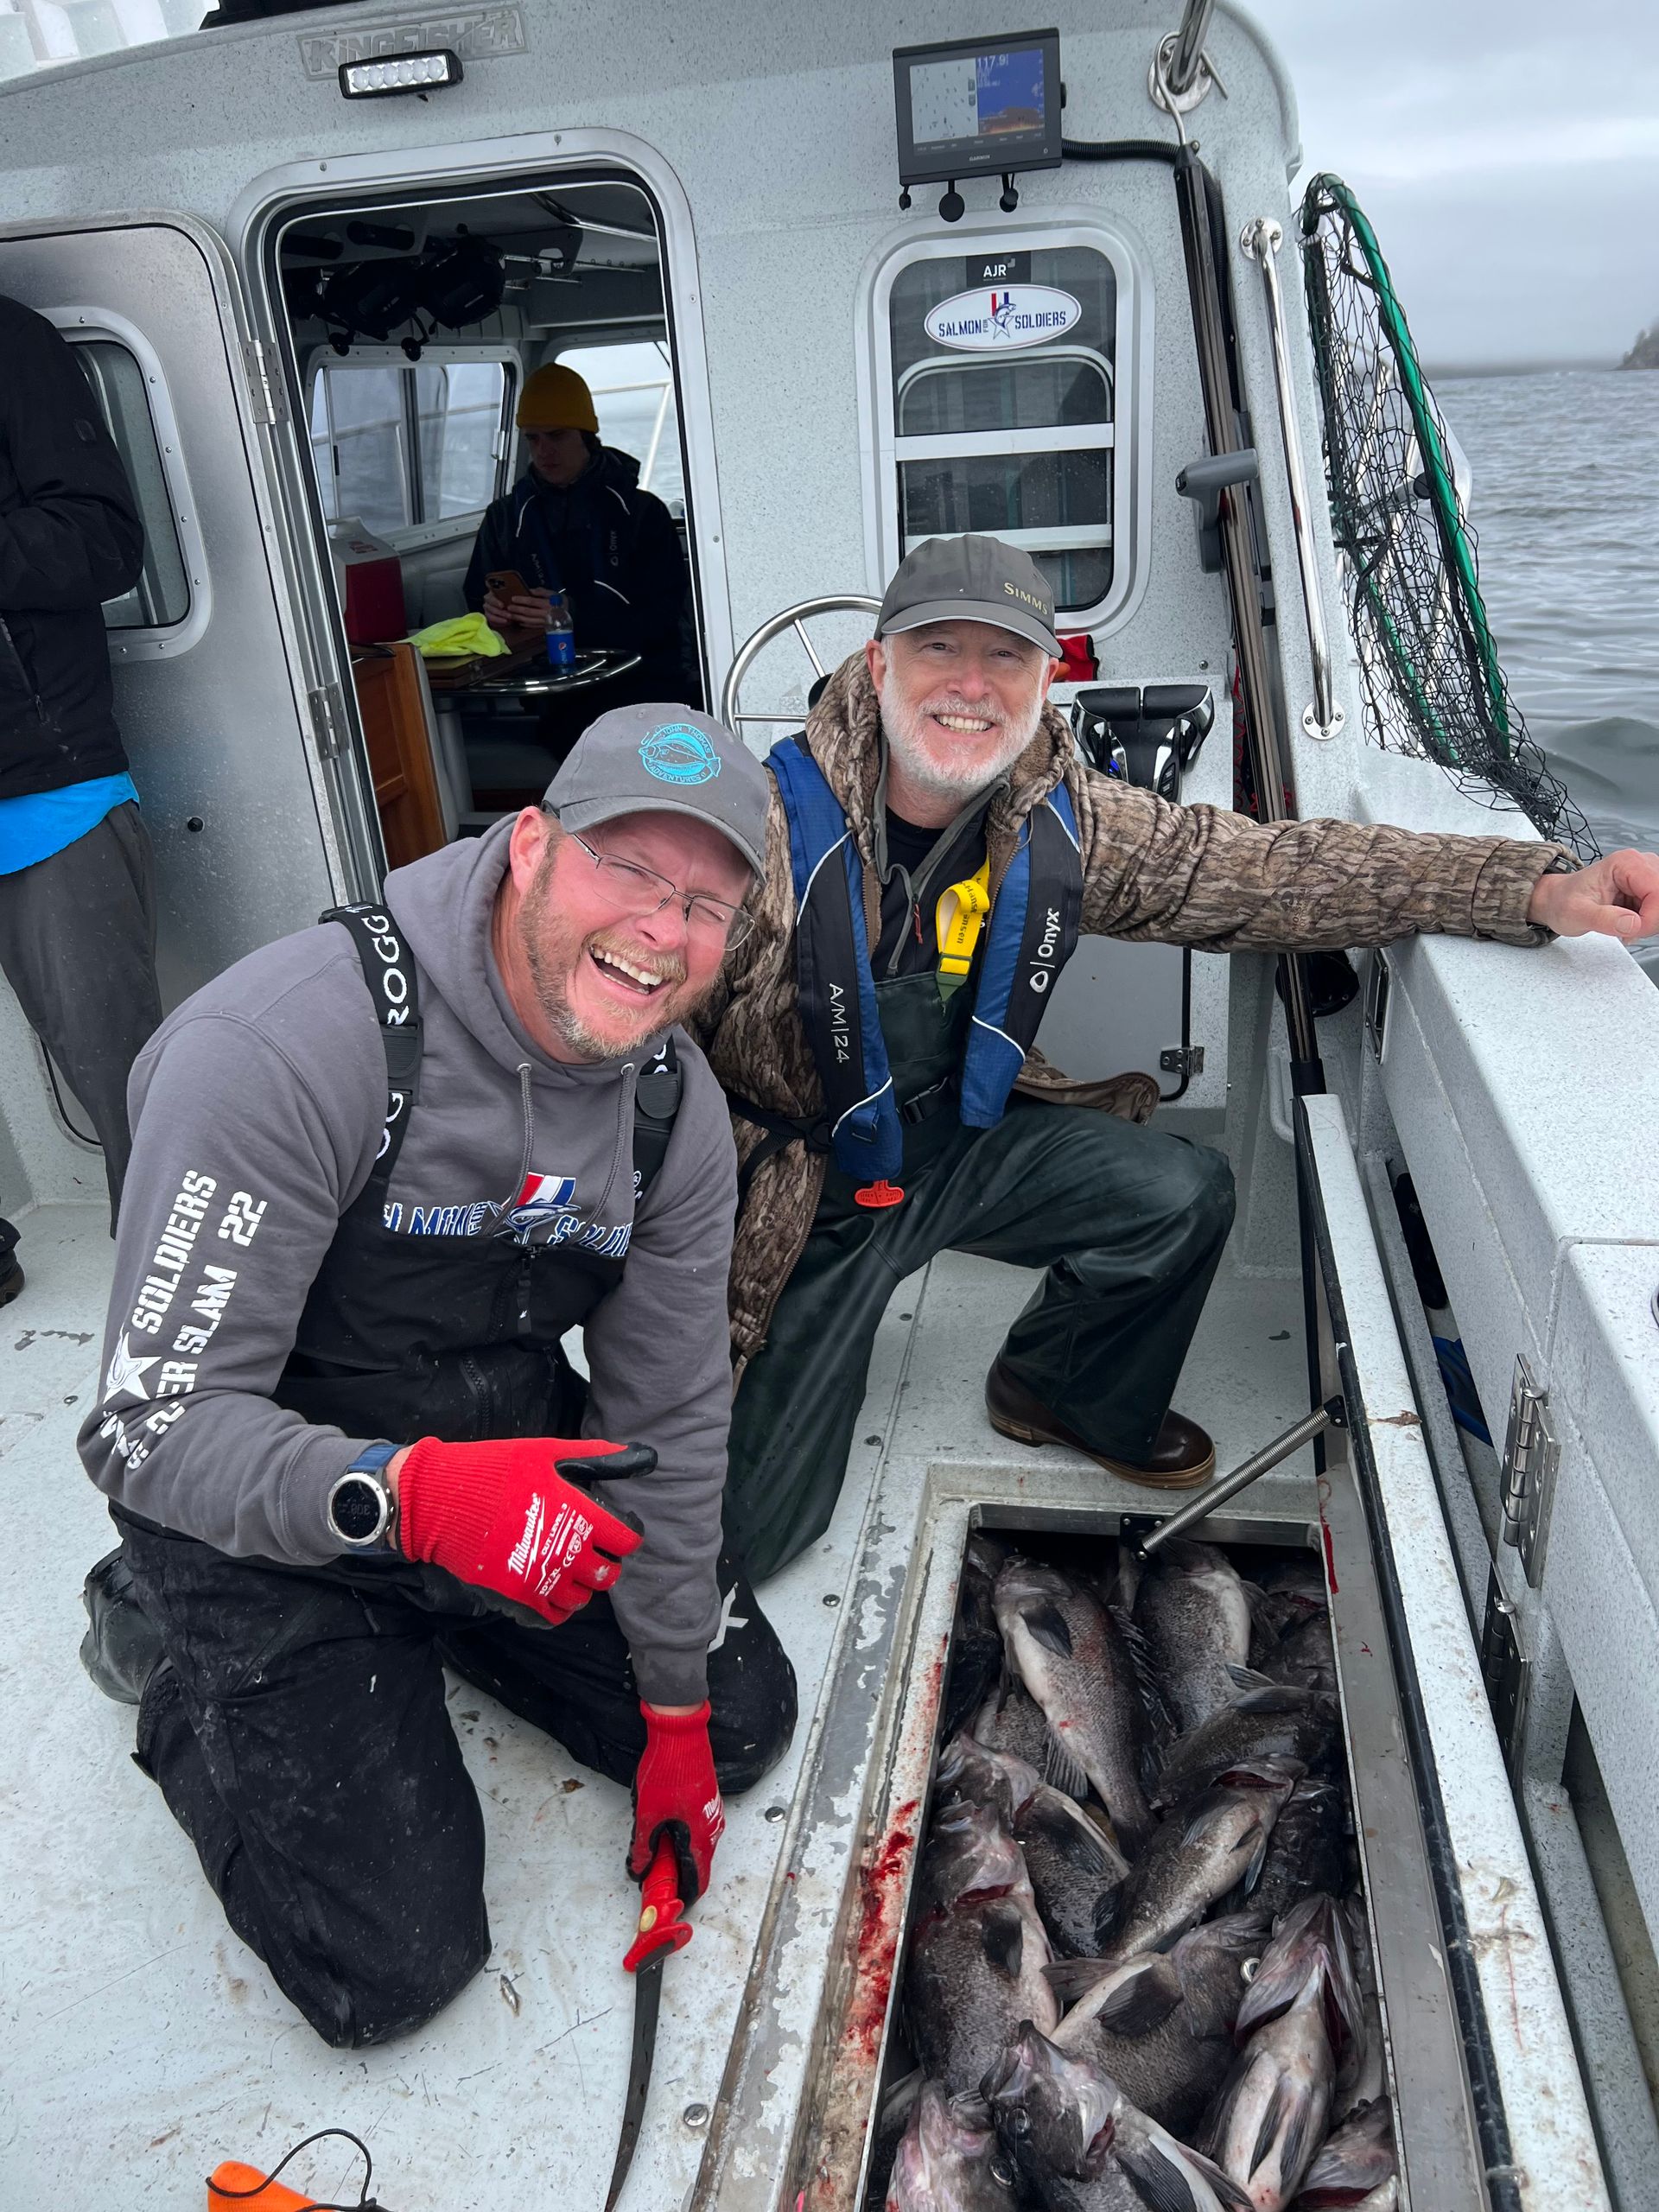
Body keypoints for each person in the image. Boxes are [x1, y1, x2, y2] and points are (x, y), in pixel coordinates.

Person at [696, 533, 1659, 1583]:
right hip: (801, 1188)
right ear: (878, 663)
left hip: (952, 1138)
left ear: (1046, 681)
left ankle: (1060, 1387)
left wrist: (1529, 889)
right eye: (939, 648)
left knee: (1179, 1192)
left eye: (1005, 656)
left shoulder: (1058, 815)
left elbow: (1264, 872)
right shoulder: (748, 833)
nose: (971, 687)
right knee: (744, 1540)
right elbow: (633, 1073)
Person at [75, 705, 797, 2048]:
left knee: (739, 1720)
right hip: (265, 1496)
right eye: (629, 869)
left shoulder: (673, 1109)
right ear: (529, 846)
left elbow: (672, 1415)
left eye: (707, 903)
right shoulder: (283, 1047)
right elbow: (145, 1429)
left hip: (494, 1447)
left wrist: (674, 1710)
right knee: (393, 1968)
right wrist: (408, 1504)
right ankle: (168, 1648)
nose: (662, 929)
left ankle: (446, 1621)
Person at [0, 295, 159, 1285]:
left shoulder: (10, 341)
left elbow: (103, 538)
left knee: (122, 1070)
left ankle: (186, 1281)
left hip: (41, 783)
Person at [463, 362, 695, 760]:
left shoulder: (643, 513)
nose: (543, 451)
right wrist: (491, 615)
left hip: (643, 685)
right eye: (533, 438)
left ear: (586, 436)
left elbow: (663, 618)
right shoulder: (504, 518)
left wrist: (571, 616)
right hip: (554, 696)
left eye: (556, 435)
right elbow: (473, 604)